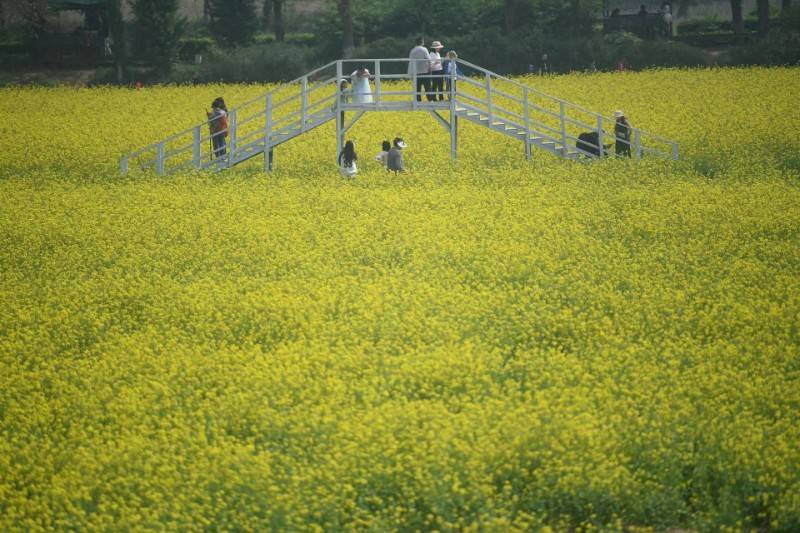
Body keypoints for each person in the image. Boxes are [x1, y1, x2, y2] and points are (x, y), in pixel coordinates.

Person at [408, 37, 431, 102]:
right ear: (422, 42)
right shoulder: (424, 49)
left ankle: (418, 101)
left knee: (417, 88)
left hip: (415, 72)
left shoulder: (412, 50)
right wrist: (429, 69)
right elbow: (428, 59)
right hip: (424, 71)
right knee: (427, 87)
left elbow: (410, 61)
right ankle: (429, 99)